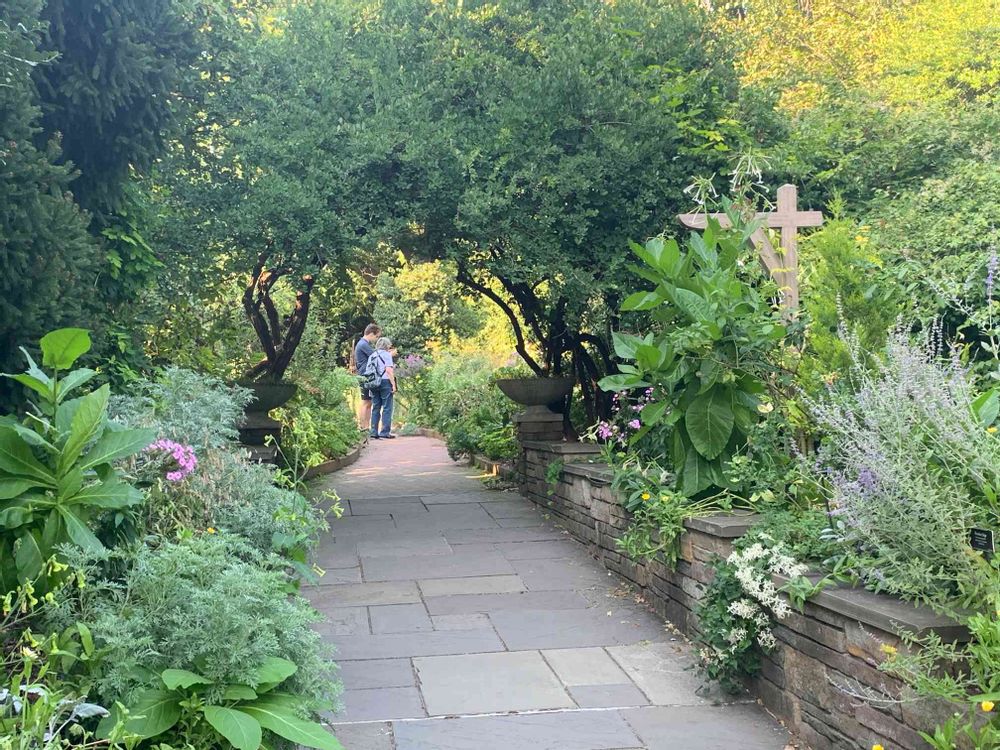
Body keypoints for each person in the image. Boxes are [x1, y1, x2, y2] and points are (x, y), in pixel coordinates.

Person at [367, 336, 397, 439]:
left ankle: (373, 432)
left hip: (374, 383)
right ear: (387, 345)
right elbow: (389, 370)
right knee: (387, 407)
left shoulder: (372, 355)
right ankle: (384, 432)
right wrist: (393, 384)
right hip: (385, 382)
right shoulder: (387, 355)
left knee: (376, 407)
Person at [353, 323, 381, 429]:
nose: (376, 339)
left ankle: (366, 426)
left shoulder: (363, 344)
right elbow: (375, 356)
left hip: (365, 376)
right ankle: (362, 426)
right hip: (364, 376)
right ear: (371, 334)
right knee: (365, 402)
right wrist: (387, 354)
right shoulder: (363, 344)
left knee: (368, 402)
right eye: (376, 336)